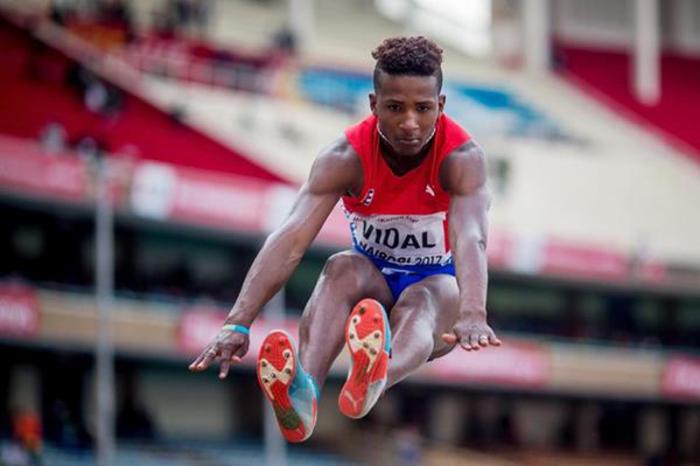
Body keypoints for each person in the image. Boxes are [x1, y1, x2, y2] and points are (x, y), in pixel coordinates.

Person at [189, 36, 501, 443]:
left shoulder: (461, 159)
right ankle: (304, 393)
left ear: (440, 106)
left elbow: (471, 238)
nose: (410, 123)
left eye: (423, 109)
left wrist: (474, 313)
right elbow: (291, 237)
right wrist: (238, 323)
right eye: (395, 108)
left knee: (424, 298)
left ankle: (377, 377)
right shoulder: (344, 157)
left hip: (435, 300)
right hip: (372, 284)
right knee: (340, 267)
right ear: (373, 105)